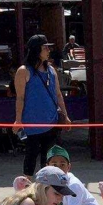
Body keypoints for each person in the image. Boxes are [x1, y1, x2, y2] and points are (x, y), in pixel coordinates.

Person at [14, 34, 72, 176]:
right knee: (31, 157)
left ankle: (45, 189)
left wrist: (65, 115)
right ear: (36, 50)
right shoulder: (23, 71)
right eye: (45, 47)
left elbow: (58, 94)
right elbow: (20, 97)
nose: (48, 50)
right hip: (32, 124)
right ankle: (26, 190)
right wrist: (18, 120)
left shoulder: (52, 70)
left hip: (51, 122)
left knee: (49, 159)